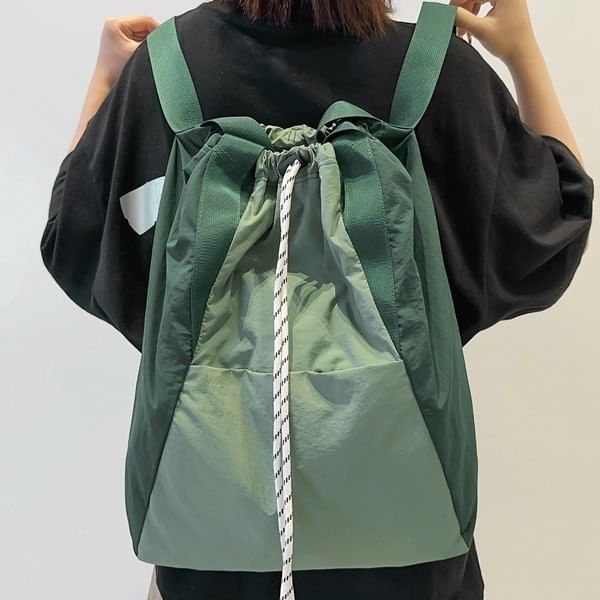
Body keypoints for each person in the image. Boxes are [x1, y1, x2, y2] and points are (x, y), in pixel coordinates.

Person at [39, 1, 594, 599]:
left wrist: (106, 79)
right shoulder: (441, 74)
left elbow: (76, 240)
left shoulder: (163, 71)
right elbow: (549, 233)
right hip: (411, 544)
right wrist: (522, 53)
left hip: (208, 551)